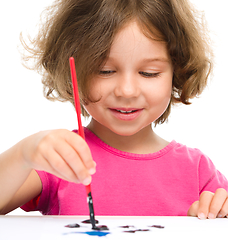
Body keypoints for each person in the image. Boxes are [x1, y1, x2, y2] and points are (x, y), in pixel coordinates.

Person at [0, 0, 228, 219]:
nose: (126, 91)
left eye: (149, 73)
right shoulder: (63, 159)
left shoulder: (198, 171)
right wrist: (24, 155)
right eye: (105, 71)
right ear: (73, 72)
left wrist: (217, 212)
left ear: (177, 72)